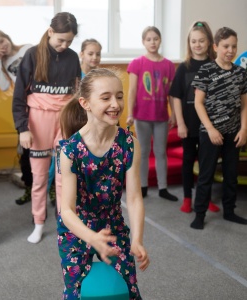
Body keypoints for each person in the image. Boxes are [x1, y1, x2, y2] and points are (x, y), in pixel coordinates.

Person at [58, 68, 149, 299]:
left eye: (119, 96)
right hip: (77, 228)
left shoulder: (129, 144)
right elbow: (66, 210)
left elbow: (135, 198)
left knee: (129, 289)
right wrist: (90, 237)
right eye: (106, 97)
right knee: (75, 292)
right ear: (85, 103)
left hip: (112, 224)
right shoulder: (70, 151)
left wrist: (136, 240)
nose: (115, 104)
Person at [12, 12, 81, 243]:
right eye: (61, 39)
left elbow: (76, 93)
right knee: (40, 177)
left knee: (65, 175)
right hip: (38, 121)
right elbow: (19, 95)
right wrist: (23, 128)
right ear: (50, 32)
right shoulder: (32, 55)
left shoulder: (72, 58)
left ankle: (65, 223)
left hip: (64, 121)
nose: (64, 45)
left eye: (69, 41)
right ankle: (39, 222)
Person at [191, 27, 247, 229]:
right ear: (215, 47)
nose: (230, 50)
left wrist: (243, 129)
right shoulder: (206, 71)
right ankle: (199, 214)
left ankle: (229, 211)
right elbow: (198, 103)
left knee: (231, 174)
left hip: (234, 133)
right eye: (225, 46)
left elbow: (244, 105)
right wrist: (211, 129)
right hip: (210, 133)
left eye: (233, 46)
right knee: (206, 175)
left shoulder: (241, 73)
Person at [169, 21, 220, 213]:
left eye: (201, 41)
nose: (197, 45)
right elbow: (176, 96)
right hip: (189, 124)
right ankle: (188, 198)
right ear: (189, 43)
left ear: (209, 43)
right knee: (189, 160)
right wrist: (180, 123)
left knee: (208, 162)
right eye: (193, 41)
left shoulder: (215, 66)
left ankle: (204, 198)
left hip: (209, 125)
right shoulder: (184, 67)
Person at [126, 26, 178, 201]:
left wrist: (174, 114)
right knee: (143, 152)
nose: (152, 42)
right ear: (143, 42)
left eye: (155, 38)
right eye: (148, 39)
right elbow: (132, 90)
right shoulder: (137, 63)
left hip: (161, 116)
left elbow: (171, 93)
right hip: (142, 116)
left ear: (160, 40)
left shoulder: (169, 65)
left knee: (160, 152)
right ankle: (143, 186)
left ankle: (163, 187)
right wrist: (130, 113)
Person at [0, 29, 33, 205]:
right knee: (25, 151)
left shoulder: (27, 49)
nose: (1, 46)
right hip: (24, 109)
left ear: (7, 37)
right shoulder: (4, 62)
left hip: (42, 104)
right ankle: (29, 187)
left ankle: (51, 188)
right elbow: (4, 86)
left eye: (1, 40)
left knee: (49, 148)